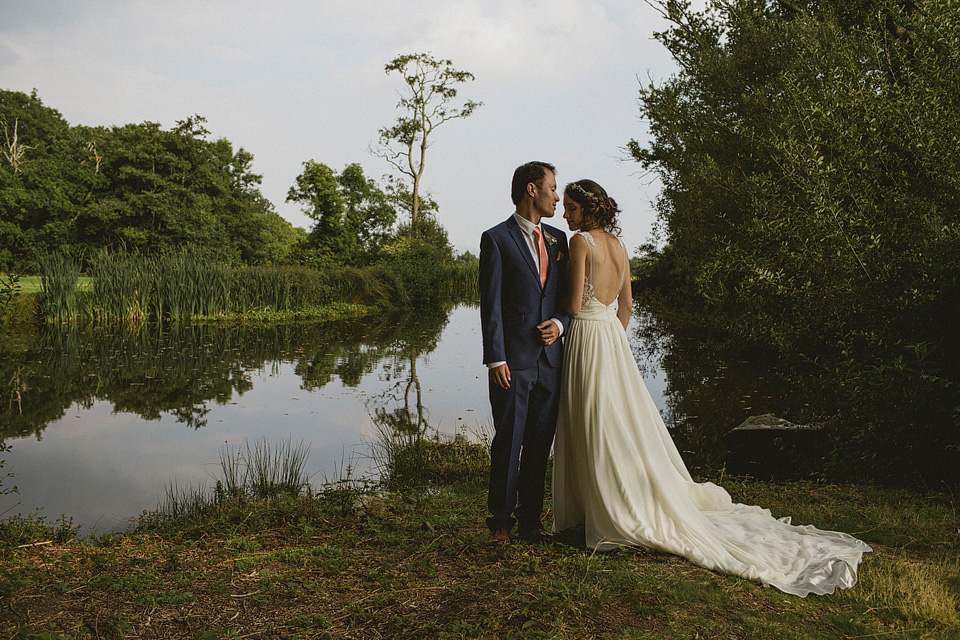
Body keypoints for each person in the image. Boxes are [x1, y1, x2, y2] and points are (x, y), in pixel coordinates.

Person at [552, 179, 872, 597]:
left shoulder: (581, 243)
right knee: (614, 424)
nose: (566, 213)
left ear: (588, 209)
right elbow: (627, 305)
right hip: (612, 338)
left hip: (589, 337)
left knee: (593, 423)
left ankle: (600, 510)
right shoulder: (619, 247)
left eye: (572, 207)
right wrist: (613, 339)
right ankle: (605, 500)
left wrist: (560, 307)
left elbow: (574, 306)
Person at [479, 161, 571, 544]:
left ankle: (530, 522)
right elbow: (491, 303)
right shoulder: (496, 239)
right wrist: (495, 358)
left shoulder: (559, 239)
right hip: (512, 363)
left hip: (551, 360)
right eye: (552, 187)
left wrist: (561, 322)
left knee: (539, 443)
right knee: (509, 441)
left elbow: (567, 298)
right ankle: (500, 522)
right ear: (532, 190)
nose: (556, 195)